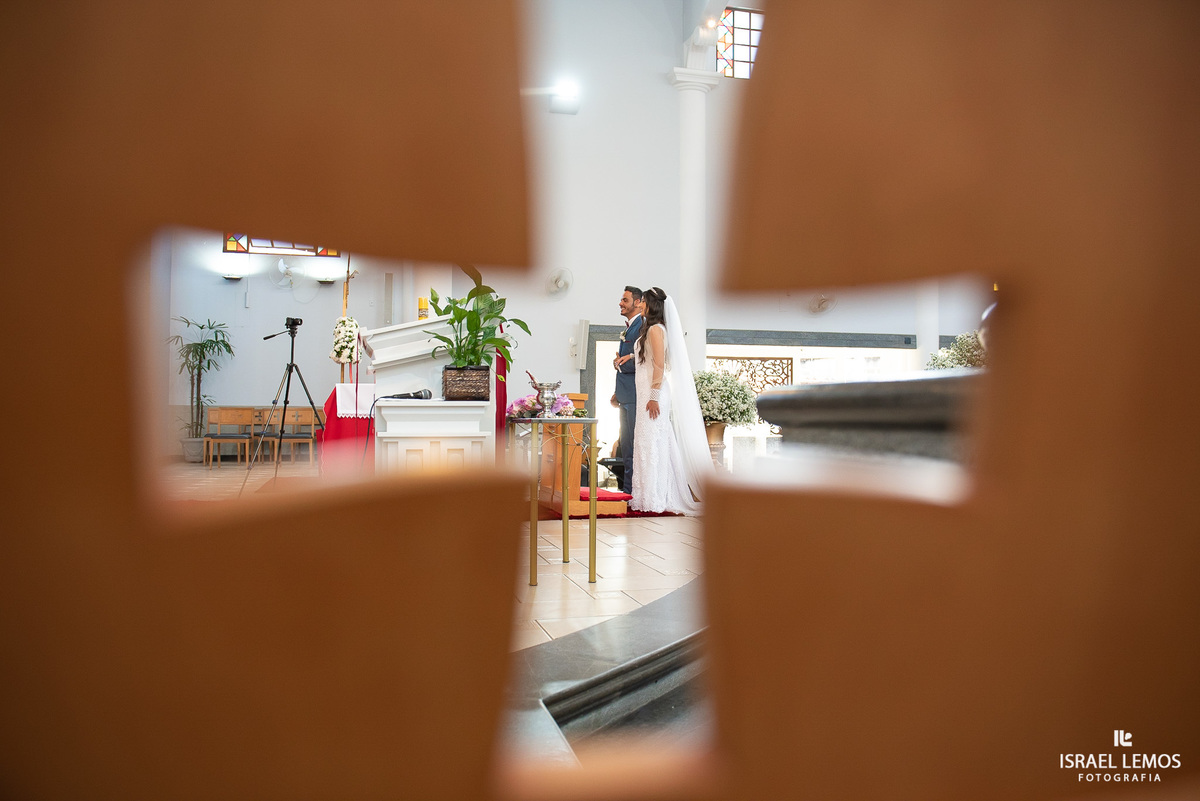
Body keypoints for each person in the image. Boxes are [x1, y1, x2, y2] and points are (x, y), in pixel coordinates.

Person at [629, 287, 712, 514]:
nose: (640, 305)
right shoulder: (651, 329)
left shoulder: (656, 329)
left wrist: (654, 397)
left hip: (653, 394)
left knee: (653, 443)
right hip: (646, 393)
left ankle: (657, 497)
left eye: (643, 302)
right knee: (648, 443)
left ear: (652, 305)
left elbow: (659, 364)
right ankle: (647, 496)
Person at [610, 286, 643, 494]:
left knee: (631, 445)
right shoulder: (631, 326)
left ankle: (632, 491)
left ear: (637, 302)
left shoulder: (642, 326)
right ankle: (628, 489)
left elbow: (643, 361)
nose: (620, 303)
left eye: (625, 300)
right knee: (626, 445)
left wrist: (620, 364)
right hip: (625, 395)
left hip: (635, 395)